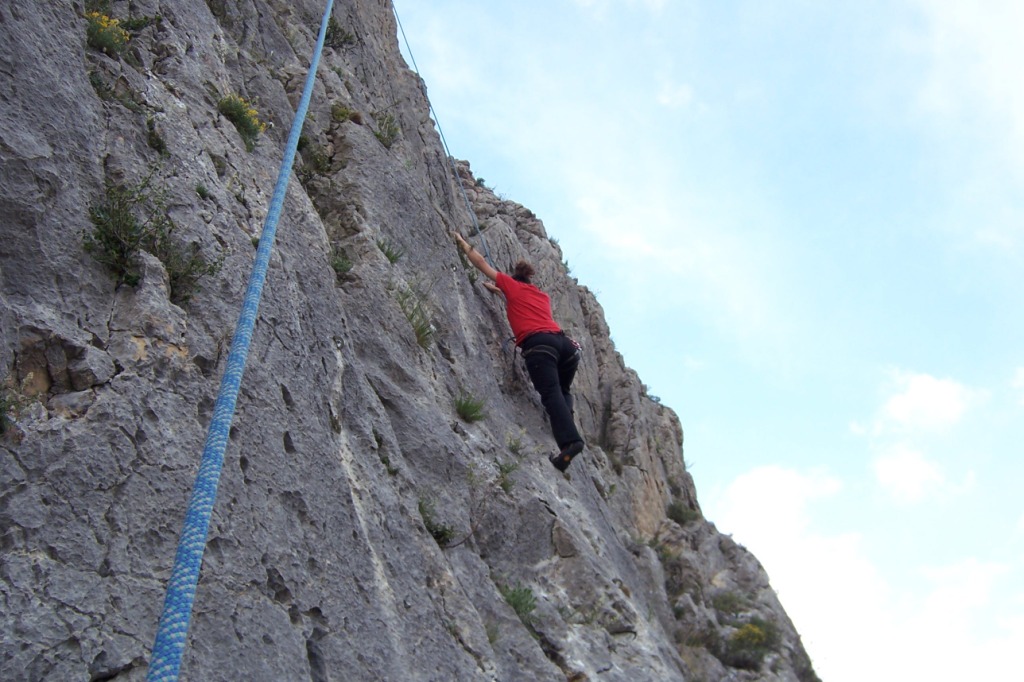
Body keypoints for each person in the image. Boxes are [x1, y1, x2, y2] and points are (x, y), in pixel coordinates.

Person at [453, 232, 585, 471]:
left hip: (540, 346)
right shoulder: (541, 296)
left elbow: (481, 263)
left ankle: (570, 442)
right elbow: (517, 302)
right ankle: (566, 415)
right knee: (563, 388)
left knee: (551, 392)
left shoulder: (510, 285)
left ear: (512, 281)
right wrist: (497, 290)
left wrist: (463, 242)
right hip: (565, 346)